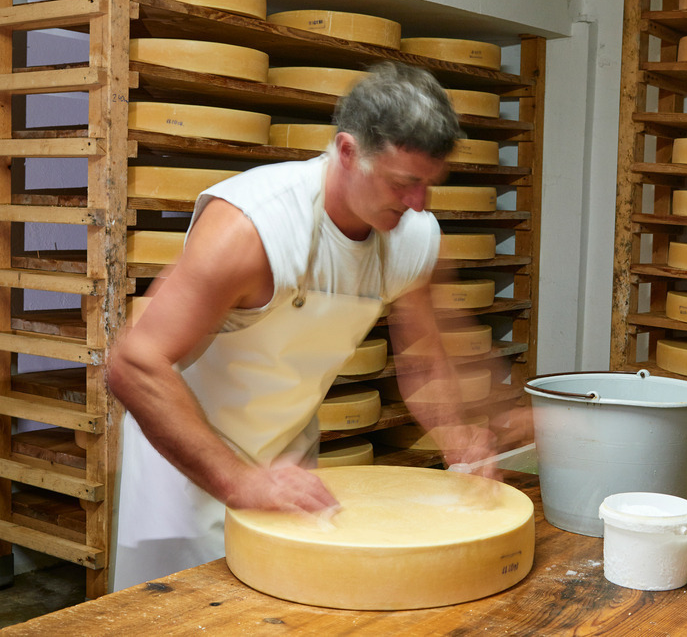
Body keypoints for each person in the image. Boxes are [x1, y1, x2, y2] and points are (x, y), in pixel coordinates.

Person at [107, 62, 499, 591]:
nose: (418, 204)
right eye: (404, 182)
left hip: (286, 467)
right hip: (185, 472)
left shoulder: (413, 237)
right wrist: (239, 480)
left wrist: (455, 434)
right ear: (346, 151)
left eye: (429, 185)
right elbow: (133, 364)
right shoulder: (253, 227)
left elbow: (425, 359)